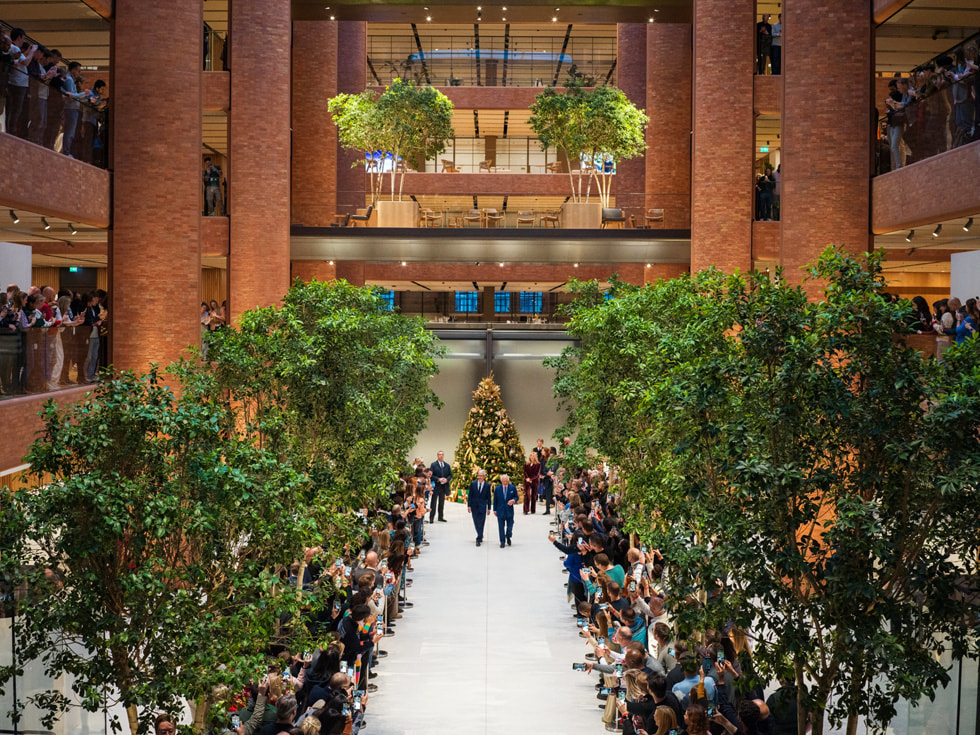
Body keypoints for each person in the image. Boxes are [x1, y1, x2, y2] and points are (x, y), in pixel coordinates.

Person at [492, 473, 518, 548]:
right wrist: (494, 509)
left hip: (509, 510)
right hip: (500, 510)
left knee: (510, 526)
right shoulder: (497, 488)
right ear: (501, 481)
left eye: (506, 481)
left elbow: (517, 497)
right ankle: (502, 541)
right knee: (501, 526)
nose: (505, 483)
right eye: (504, 481)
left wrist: (513, 500)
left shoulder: (512, 488)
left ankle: (508, 536)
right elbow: (495, 500)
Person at [467, 468, 491, 546]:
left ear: (484, 476)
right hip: (474, 506)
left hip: (482, 506)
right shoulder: (473, 484)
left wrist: (489, 508)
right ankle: (480, 534)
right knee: (476, 521)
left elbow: (489, 497)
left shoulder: (487, 485)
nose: (480, 477)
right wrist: (469, 506)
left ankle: (479, 537)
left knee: (481, 522)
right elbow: (470, 495)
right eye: (479, 475)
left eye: (481, 476)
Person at [428, 450, 451, 523]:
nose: (441, 456)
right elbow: (431, 475)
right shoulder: (433, 465)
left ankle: (440, 517)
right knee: (433, 502)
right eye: (439, 454)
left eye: (442, 454)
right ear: (437, 456)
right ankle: (431, 518)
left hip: (444, 487)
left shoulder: (447, 465)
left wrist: (446, 479)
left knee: (441, 502)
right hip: (436, 486)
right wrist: (438, 479)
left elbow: (450, 475)